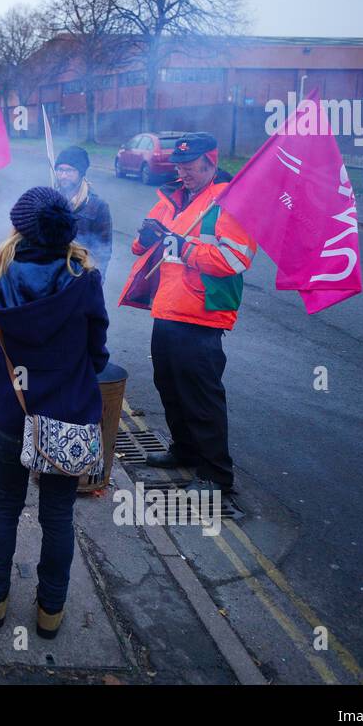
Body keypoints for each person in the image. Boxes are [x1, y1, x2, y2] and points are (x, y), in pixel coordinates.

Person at [0, 187, 110, 640]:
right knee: (57, 515)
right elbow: (98, 353)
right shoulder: (84, 277)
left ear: (20, 227)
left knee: (5, 505)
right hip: (67, 415)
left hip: (12, 413)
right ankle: (50, 611)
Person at [119, 133, 256, 507]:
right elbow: (144, 243)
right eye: (179, 166)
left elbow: (236, 259)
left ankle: (215, 475)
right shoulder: (174, 195)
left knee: (201, 396)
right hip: (167, 308)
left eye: (191, 166)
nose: (183, 172)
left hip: (202, 313)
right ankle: (184, 450)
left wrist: (184, 248)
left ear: (210, 163)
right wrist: (143, 237)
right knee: (169, 385)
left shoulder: (230, 200)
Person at [53, 146, 113, 275]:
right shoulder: (50, 200)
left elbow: (103, 251)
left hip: (81, 274)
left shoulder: (98, 206)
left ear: (81, 173)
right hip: (53, 273)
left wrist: (96, 281)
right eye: (60, 170)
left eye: (70, 171)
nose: (63, 175)